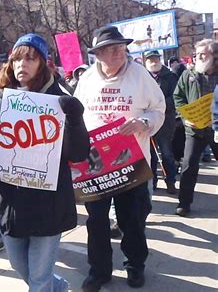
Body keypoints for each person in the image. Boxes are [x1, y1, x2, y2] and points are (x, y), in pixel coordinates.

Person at [0, 33, 90, 292]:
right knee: (20, 267)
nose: (22, 65)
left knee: (39, 279)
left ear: (43, 64)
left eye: (30, 59)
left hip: (48, 204)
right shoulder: (3, 104)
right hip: (12, 203)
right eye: (17, 59)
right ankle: (60, 287)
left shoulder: (60, 103)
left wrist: (76, 121)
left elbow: (79, 154)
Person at [74, 26, 165, 292]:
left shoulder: (140, 76)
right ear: (98, 54)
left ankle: (135, 266)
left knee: (131, 220)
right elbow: (77, 116)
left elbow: (159, 109)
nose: (118, 53)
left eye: (121, 48)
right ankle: (99, 271)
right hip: (97, 165)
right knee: (96, 221)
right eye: (111, 49)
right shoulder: (88, 79)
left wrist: (143, 122)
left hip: (131, 163)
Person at [173, 39, 218, 217]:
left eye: (203, 54)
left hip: (216, 129)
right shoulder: (189, 74)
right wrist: (186, 118)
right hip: (195, 129)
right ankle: (184, 204)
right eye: (197, 54)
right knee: (188, 165)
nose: (198, 57)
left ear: (214, 56)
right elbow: (178, 96)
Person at [144, 50, 179, 193]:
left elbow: (175, 96)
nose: (153, 62)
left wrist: (160, 107)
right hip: (148, 122)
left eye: (155, 58)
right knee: (150, 155)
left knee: (167, 154)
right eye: (150, 59)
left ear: (160, 59)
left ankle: (170, 181)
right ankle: (153, 182)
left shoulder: (170, 76)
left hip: (165, 122)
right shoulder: (142, 78)